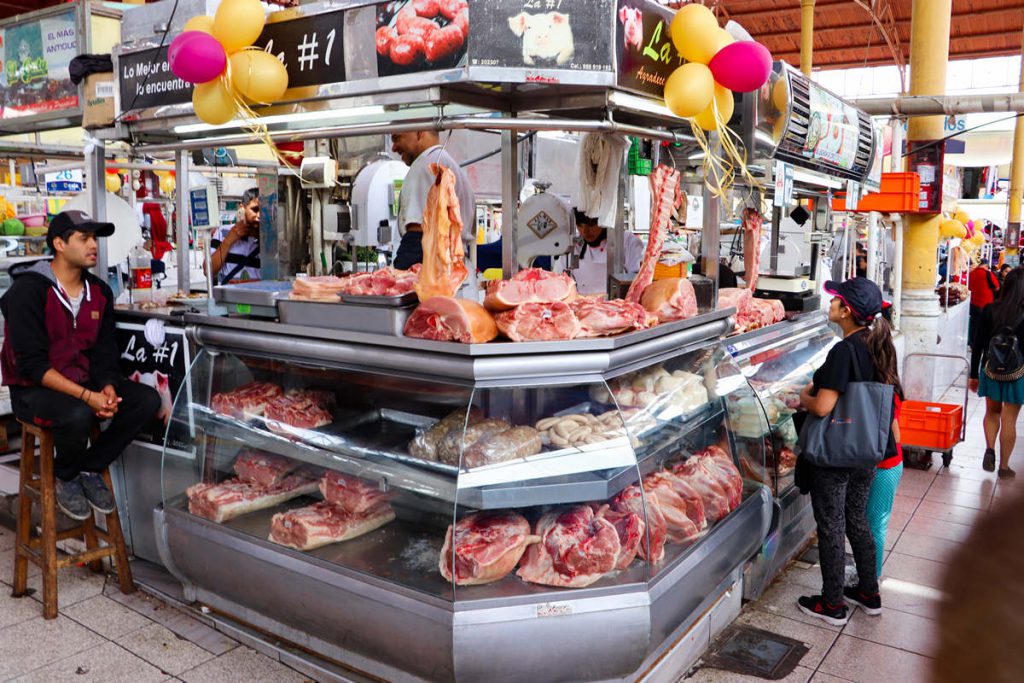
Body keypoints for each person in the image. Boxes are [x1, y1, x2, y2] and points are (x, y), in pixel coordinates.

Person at [0, 210, 162, 520]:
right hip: (33, 390)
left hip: (82, 381)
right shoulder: (29, 291)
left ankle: (90, 466)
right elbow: (32, 365)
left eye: (95, 238)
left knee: (146, 400)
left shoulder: (99, 292)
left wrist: (108, 389)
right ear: (59, 243)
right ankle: (66, 474)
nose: (93, 245)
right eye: (84, 238)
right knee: (77, 412)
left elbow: (104, 354)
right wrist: (88, 397)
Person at [796, 278, 900, 626]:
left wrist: (801, 398)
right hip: (867, 449)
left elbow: (824, 407)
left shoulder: (844, 351)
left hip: (836, 453)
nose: (830, 303)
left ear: (847, 311)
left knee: (831, 524)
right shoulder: (879, 343)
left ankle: (832, 604)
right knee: (857, 519)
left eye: (835, 299)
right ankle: (869, 593)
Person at [390, 131, 476, 271]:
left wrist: (396, 276)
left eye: (396, 138)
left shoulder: (425, 166)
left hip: (432, 278)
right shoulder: (454, 167)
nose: (393, 147)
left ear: (418, 132)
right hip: (458, 275)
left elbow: (417, 239)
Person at [969, 267, 1024, 478]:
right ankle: (1004, 467)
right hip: (1017, 374)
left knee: (992, 412)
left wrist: (973, 374)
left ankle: (990, 448)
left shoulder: (990, 309)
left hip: (990, 369)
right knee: (1009, 419)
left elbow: (978, 344)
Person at [571, 209, 645, 295]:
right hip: (582, 306)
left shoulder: (628, 241)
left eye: (591, 225)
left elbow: (639, 282)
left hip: (618, 306)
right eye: (579, 225)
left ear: (605, 221)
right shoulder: (573, 246)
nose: (584, 231)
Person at [208, 187, 260, 285]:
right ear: (242, 208)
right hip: (229, 297)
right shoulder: (223, 232)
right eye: (255, 209)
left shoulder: (271, 239)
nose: (259, 215)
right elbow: (208, 271)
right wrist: (230, 239)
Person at [968, 258, 999, 346]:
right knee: (984, 325)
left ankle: (972, 343)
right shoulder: (988, 273)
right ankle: (981, 344)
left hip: (973, 302)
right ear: (985, 265)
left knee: (974, 323)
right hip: (986, 304)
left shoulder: (971, 273)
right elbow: (997, 287)